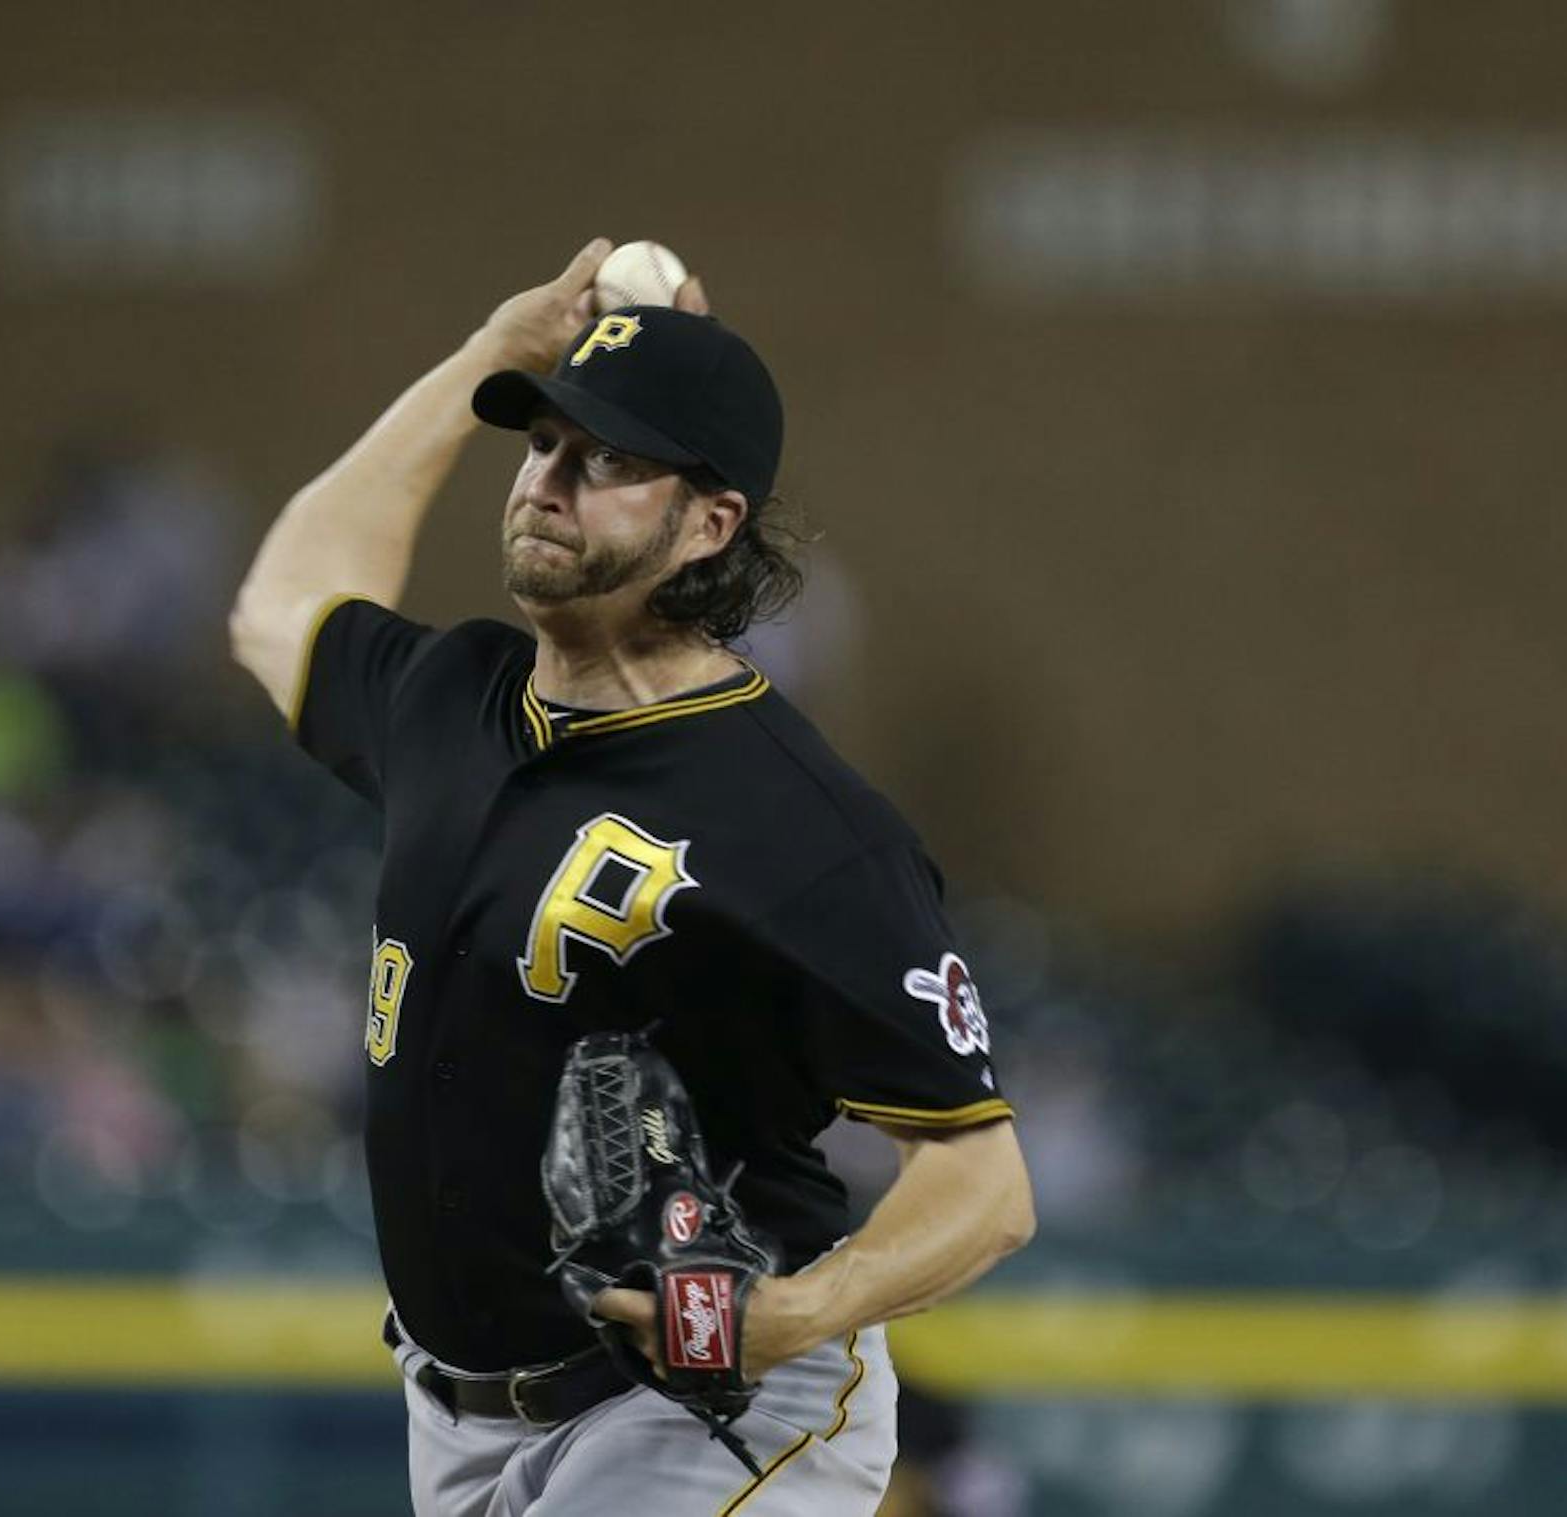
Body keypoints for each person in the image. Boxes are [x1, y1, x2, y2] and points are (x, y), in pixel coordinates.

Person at [228, 239, 1035, 1516]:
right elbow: (281, 602)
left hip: (703, 1406)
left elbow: (984, 1188)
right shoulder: (451, 698)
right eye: (540, 443)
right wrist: (490, 353)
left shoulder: (803, 824)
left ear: (709, 524)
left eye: (605, 458)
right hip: (454, 1412)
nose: (547, 480)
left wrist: (791, 1315)